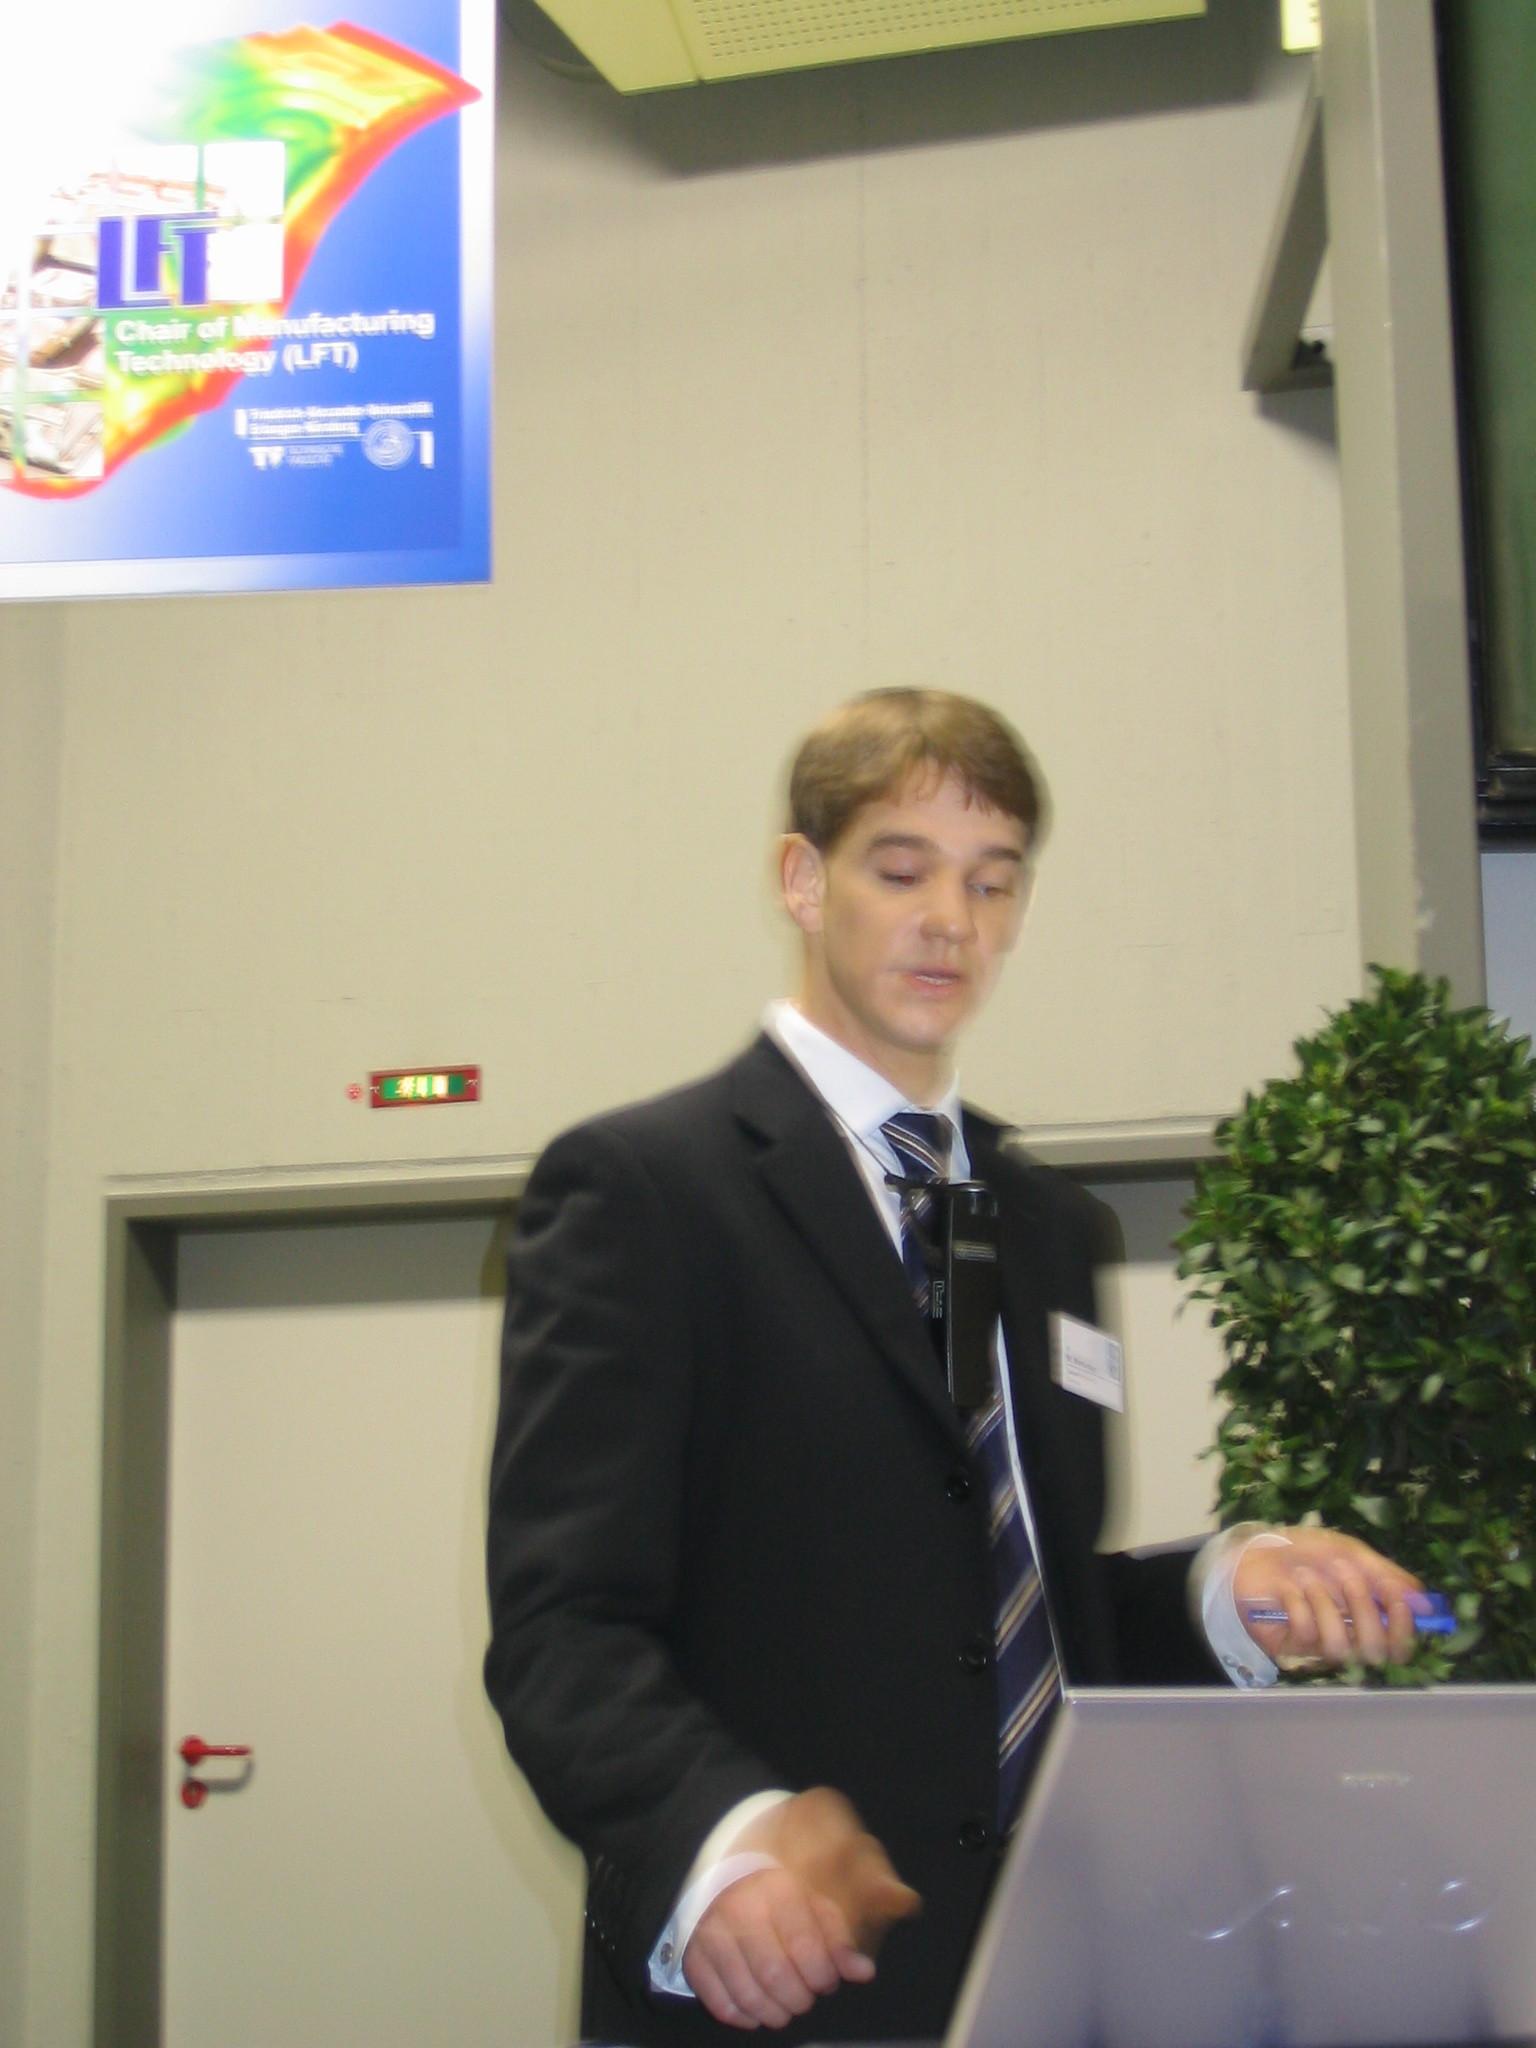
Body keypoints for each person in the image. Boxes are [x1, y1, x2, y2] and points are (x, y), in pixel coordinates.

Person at [484, 688, 1422, 2046]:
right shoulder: (647, 1190)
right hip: (791, 1983)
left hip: (1058, 1972)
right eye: (901, 869)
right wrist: (721, 1838)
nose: (951, 922)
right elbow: (564, 1631)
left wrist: (1225, 1595)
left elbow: (1017, 1612)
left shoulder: (1049, 1226)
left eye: (993, 881)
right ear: (803, 880)